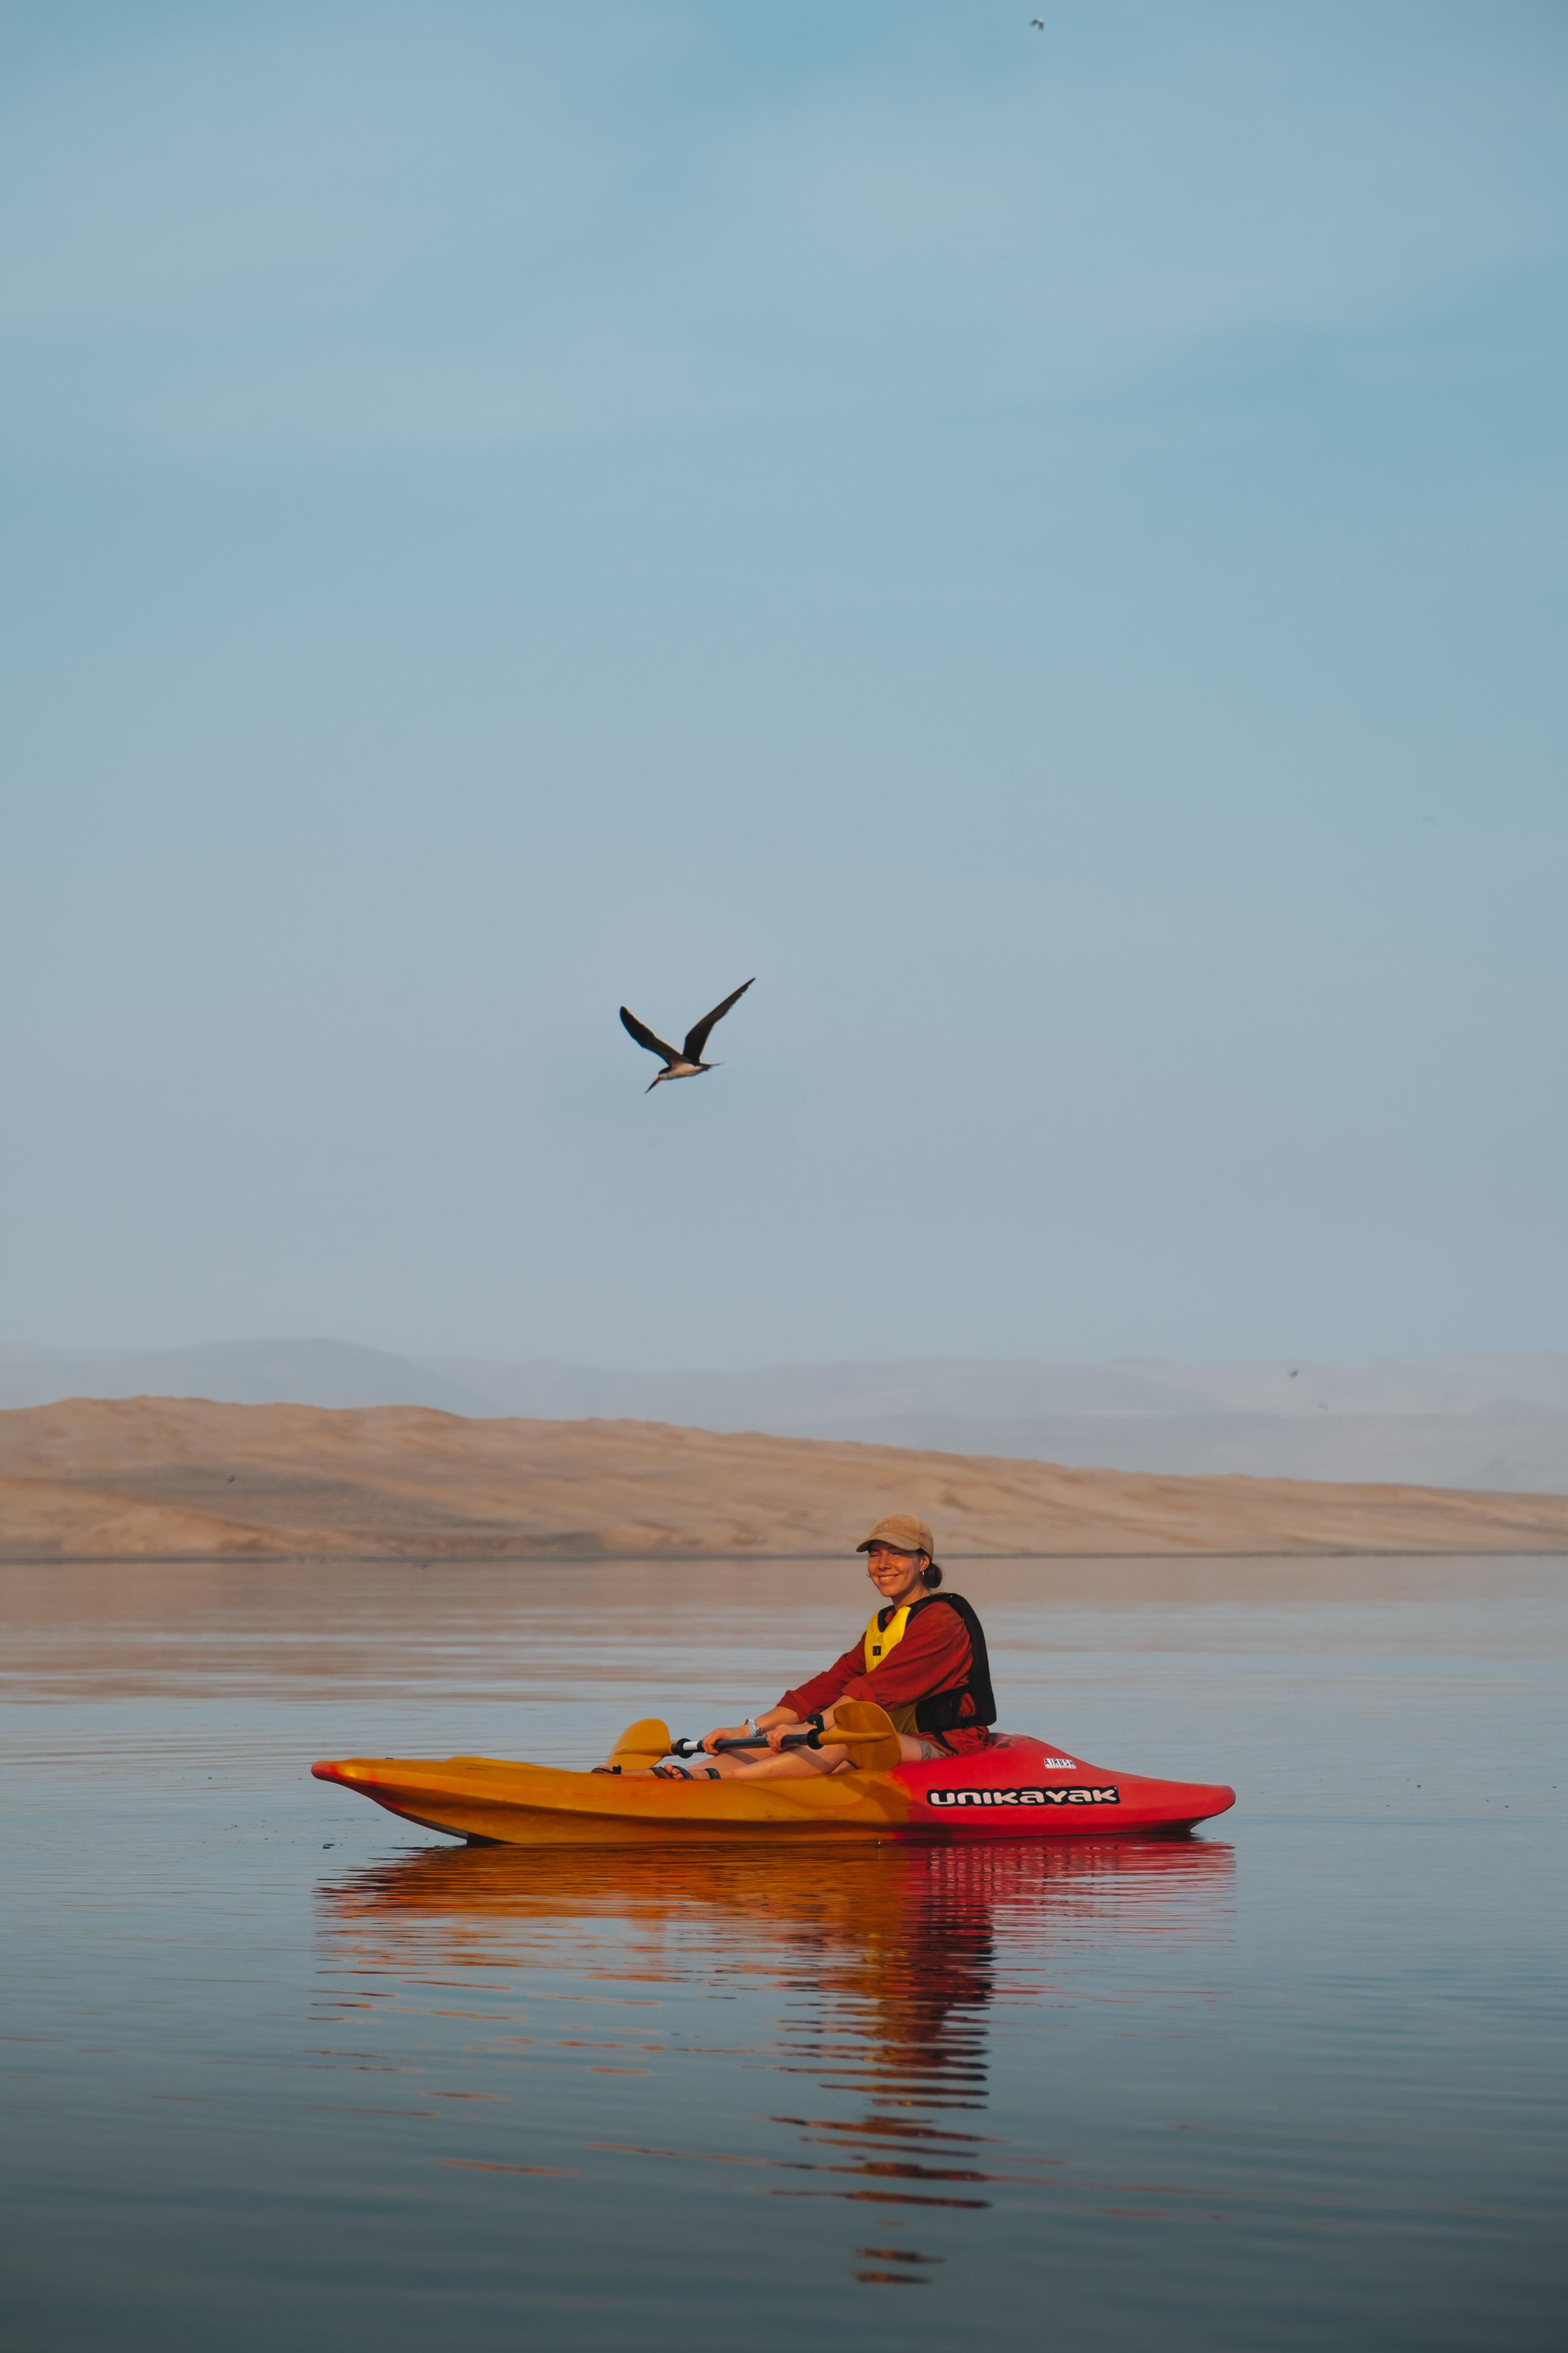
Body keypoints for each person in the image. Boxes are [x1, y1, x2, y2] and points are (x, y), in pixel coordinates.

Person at [657, 1514, 996, 1782]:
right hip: (897, 1738)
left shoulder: (942, 1622)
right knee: (788, 1733)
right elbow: (830, 1685)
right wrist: (752, 1729)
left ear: (923, 1562)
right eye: (875, 1555)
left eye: (897, 1553)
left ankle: (718, 1782)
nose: (883, 1564)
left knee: (847, 1737)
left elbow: (875, 1689)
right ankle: (673, 1775)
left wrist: (812, 1728)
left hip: (945, 1745)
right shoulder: (885, 1623)